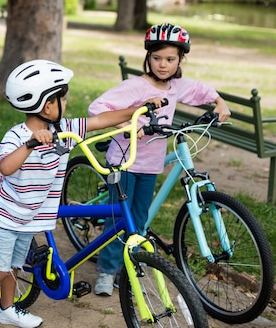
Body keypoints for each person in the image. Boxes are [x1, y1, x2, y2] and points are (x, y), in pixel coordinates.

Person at [0, 60, 149, 328]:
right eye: (62, 99)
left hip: (28, 219)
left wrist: (138, 109)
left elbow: (100, 120)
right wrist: (30, 145)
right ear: (47, 106)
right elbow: (5, 167)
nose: (65, 104)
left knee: (14, 267)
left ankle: (7, 309)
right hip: (5, 217)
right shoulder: (16, 136)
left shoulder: (63, 132)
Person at [88, 22, 231, 296]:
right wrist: (130, 125)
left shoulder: (176, 87)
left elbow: (201, 90)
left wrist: (219, 102)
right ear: (147, 58)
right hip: (124, 161)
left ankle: (127, 267)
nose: (163, 65)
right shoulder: (135, 86)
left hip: (150, 165)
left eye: (170, 59)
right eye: (156, 58)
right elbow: (98, 108)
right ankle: (107, 271)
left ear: (179, 60)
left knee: (140, 219)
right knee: (119, 218)